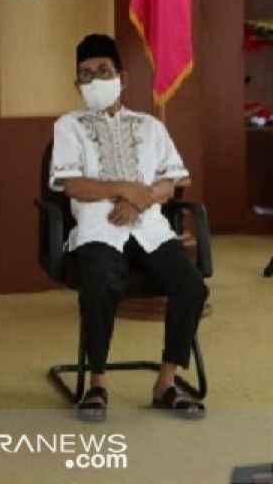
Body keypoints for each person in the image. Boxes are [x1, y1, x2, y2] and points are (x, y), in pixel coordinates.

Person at [50, 33, 207, 422]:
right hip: (98, 229)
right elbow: (72, 185)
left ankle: (166, 382)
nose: (95, 80)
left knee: (191, 287)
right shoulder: (68, 126)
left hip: (150, 229)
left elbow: (172, 181)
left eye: (103, 71)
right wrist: (124, 188)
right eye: (85, 75)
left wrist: (141, 198)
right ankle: (98, 384)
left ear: (123, 77)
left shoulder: (150, 126)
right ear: (76, 85)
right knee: (101, 285)